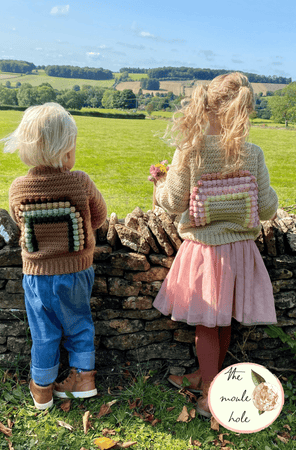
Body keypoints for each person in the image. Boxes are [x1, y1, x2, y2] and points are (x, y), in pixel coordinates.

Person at [152, 73, 278, 418]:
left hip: (204, 252)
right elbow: (267, 209)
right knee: (222, 321)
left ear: (204, 107)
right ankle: (205, 377)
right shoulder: (253, 154)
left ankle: (210, 395)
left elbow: (175, 201)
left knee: (207, 323)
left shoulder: (189, 151)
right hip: (240, 252)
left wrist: (159, 185)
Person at [0, 103, 107, 410]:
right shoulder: (80, 181)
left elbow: (21, 224)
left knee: (43, 333)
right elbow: (98, 216)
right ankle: (83, 378)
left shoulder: (19, 188)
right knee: (80, 325)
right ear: (67, 150)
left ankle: (42, 388)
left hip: (37, 276)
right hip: (77, 272)